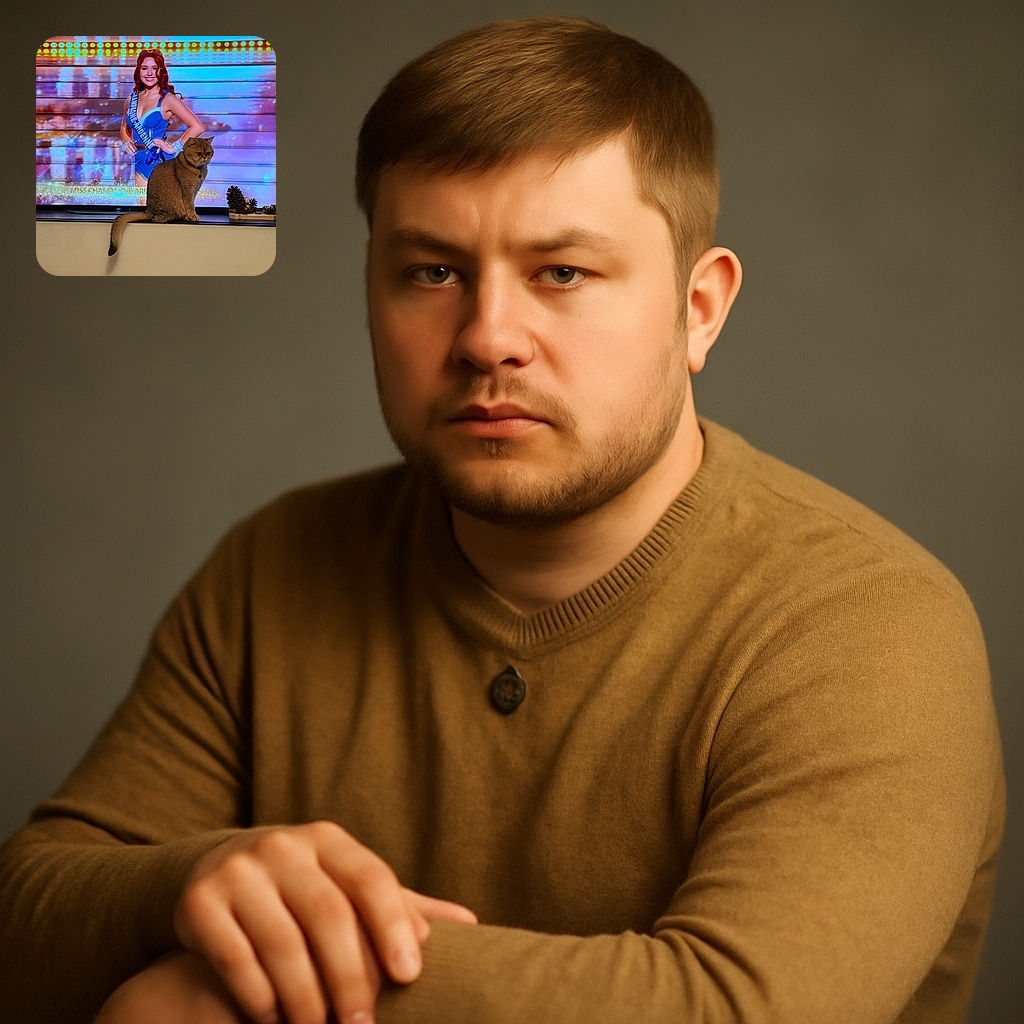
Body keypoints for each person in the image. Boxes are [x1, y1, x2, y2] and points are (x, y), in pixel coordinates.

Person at [0, 16, 1004, 1024]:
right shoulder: (274, 568)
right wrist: (193, 885)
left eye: (560, 272)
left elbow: (737, 1011)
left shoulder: (870, 624)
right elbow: (22, 930)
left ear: (699, 310)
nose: (486, 338)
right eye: (431, 271)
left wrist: (231, 983)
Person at [119, 48, 205, 191]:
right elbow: (123, 127)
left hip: (160, 163)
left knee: (162, 210)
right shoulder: (131, 99)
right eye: (144, 68)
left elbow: (197, 127)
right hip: (139, 164)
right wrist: (126, 142)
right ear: (138, 71)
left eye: (155, 68)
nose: (149, 73)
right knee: (145, 210)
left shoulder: (167, 99)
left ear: (161, 71)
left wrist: (174, 147)